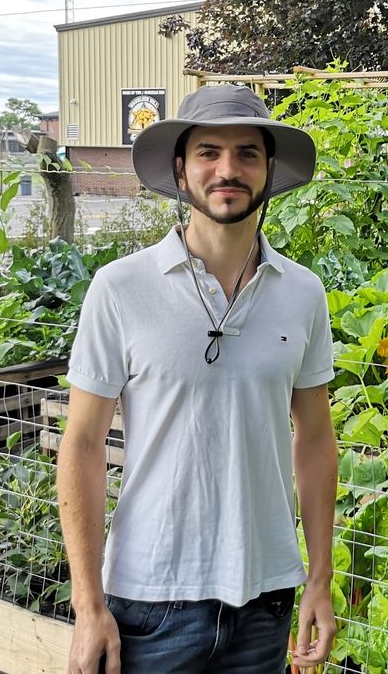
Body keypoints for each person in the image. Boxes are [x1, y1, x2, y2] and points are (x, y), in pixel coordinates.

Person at [58, 84, 338, 673]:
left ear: (268, 172)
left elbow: (314, 437)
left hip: (265, 599)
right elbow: (81, 444)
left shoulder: (303, 294)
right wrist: (88, 605)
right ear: (181, 172)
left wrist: (319, 578)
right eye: (208, 152)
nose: (227, 169)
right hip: (150, 599)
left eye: (247, 154)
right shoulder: (121, 289)